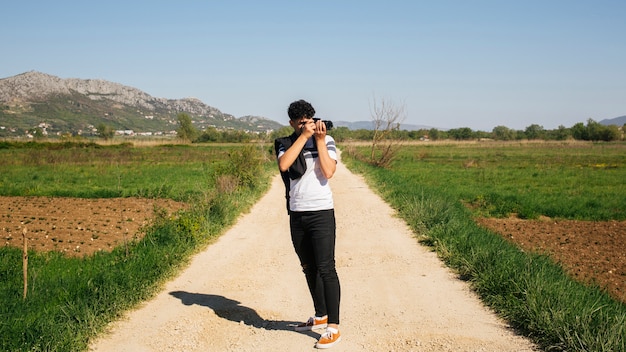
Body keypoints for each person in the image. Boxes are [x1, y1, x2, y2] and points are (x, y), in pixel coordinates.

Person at [274, 99, 341, 349]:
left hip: (322, 212)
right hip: (297, 214)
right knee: (308, 267)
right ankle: (320, 314)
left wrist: (320, 141)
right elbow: (284, 164)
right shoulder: (285, 143)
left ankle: (333, 326)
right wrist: (303, 136)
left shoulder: (327, 140)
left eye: (308, 121)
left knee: (326, 268)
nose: (306, 125)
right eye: (300, 122)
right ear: (292, 123)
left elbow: (329, 171)